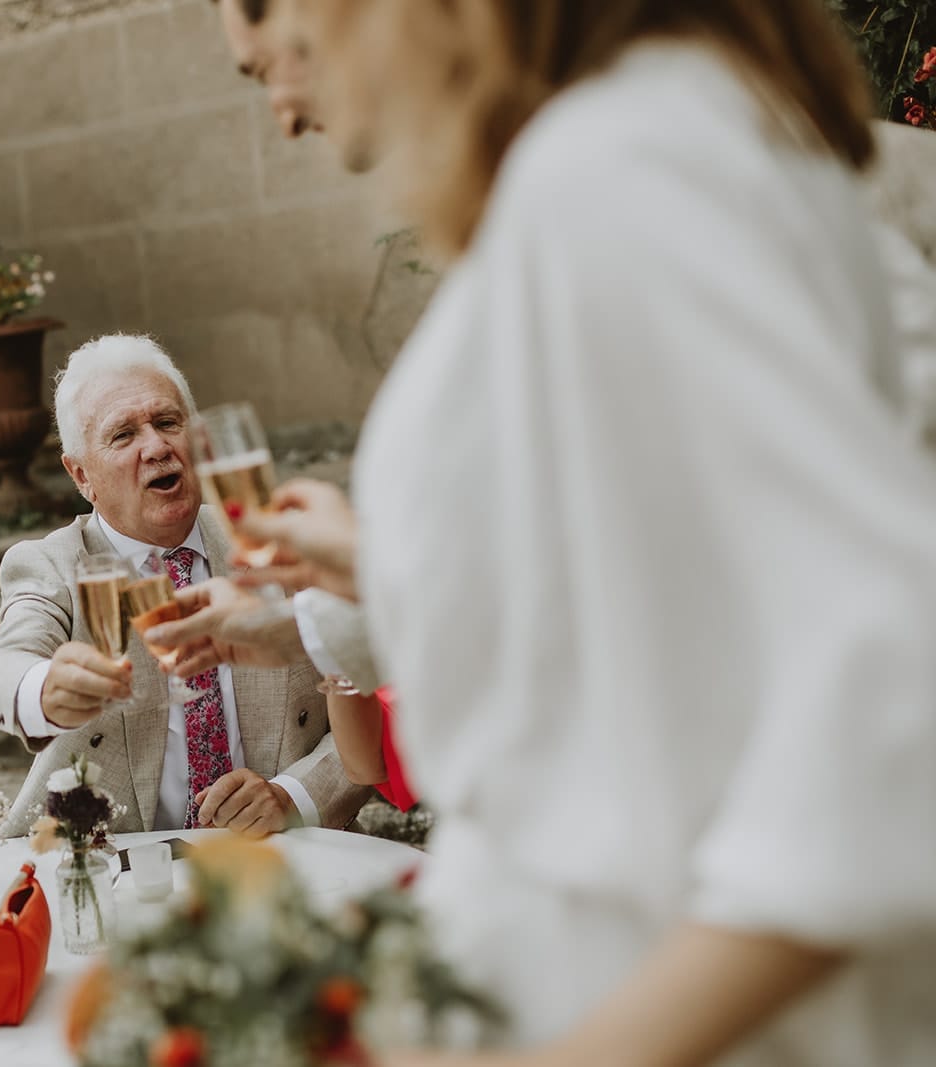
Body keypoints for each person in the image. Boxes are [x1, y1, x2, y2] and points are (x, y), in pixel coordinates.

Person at [213, 1, 936, 1063]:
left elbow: (887, 670)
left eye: (275, 54)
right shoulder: (689, 132)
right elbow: (654, 611)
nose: (283, 113)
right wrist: (381, 568)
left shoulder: (613, 169)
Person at [0, 333, 371, 838]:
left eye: (166, 422)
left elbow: (362, 677)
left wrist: (292, 795)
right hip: (109, 868)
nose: (156, 447)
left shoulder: (268, 538)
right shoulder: (53, 565)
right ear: (81, 475)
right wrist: (45, 689)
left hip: (280, 854)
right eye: (123, 435)